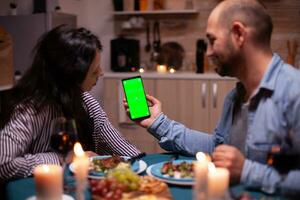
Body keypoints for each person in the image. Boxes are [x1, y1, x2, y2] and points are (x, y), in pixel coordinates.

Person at [125, 0, 300, 196]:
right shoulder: (235, 97)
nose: (207, 52)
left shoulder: (294, 92)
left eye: (212, 40)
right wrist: (158, 123)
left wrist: (247, 171)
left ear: (239, 34)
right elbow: (217, 149)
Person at [0, 25, 141, 181]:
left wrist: (142, 163)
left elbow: (119, 145)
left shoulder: (86, 101)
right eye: (94, 70)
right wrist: (64, 158)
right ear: (70, 75)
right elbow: (3, 163)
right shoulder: (29, 109)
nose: (101, 73)